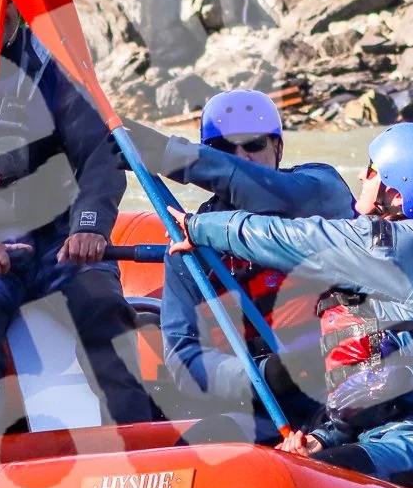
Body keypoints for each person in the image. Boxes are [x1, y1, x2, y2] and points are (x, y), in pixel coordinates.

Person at [167, 123, 413, 488]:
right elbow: (375, 383)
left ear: (396, 194)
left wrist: (199, 226)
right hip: (394, 437)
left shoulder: (401, 245)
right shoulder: (390, 256)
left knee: (289, 481)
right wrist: (322, 439)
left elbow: (294, 239)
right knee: (293, 463)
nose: (361, 176)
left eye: (373, 171)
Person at [0, 2, 157, 432]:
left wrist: (89, 226)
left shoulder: (56, 68)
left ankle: (135, 439)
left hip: (61, 237)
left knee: (104, 310)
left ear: (18, 9)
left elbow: (99, 156)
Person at [125, 90, 354, 431]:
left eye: (253, 144)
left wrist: (168, 155)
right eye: (223, 149)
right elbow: (184, 357)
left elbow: (265, 190)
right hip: (258, 403)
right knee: (208, 436)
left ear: (278, 148)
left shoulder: (321, 190)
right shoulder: (186, 245)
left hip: (339, 390)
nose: (241, 157)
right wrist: (267, 374)